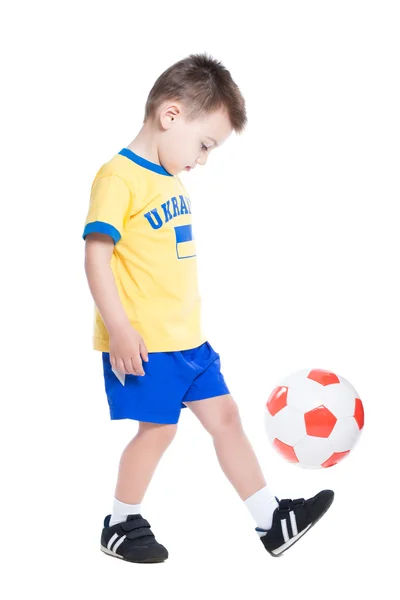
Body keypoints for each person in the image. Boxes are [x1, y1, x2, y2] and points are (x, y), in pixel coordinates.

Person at [82, 53, 334, 564]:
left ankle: (270, 520)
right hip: (147, 344)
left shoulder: (171, 180)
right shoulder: (118, 177)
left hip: (190, 342)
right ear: (170, 115)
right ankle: (119, 520)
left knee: (226, 417)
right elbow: (96, 256)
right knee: (158, 431)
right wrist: (120, 328)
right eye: (204, 145)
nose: (202, 160)